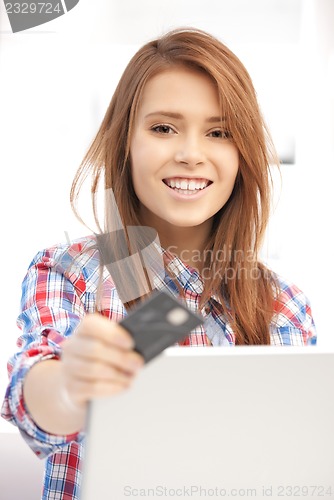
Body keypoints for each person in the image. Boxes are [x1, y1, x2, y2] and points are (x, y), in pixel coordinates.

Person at [1, 27, 316, 500]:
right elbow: (39, 405)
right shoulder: (69, 272)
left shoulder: (283, 305)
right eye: (163, 127)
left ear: (243, 153)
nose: (191, 154)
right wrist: (70, 383)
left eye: (219, 133)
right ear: (125, 141)